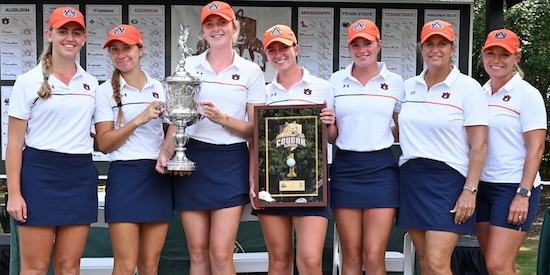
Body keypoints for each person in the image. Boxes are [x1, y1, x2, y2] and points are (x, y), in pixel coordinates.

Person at [155, 1, 266, 274]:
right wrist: (166, 152)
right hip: (192, 160)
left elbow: (256, 128)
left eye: (222, 23)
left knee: (220, 252)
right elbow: (177, 121)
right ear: (202, 30)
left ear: (234, 27)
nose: (216, 29)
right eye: (210, 24)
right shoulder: (188, 66)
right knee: (198, 252)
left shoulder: (251, 71)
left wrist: (223, 120)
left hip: (231, 162)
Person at [5, 6, 99, 274]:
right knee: (34, 268)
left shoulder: (91, 83)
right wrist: (14, 194)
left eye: (76, 32)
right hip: (39, 175)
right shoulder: (27, 81)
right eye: (63, 31)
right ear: (50, 34)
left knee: (69, 267)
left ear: (84, 38)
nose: (70, 38)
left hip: (79, 175)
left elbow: (93, 133)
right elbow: (14, 143)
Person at [396, 19, 488, 274]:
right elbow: (397, 127)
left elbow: (480, 144)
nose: (435, 49)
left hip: (448, 180)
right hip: (412, 176)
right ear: (421, 49)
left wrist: (470, 190)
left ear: (452, 48)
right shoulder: (408, 87)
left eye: (442, 44)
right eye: (429, 44)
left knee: (437, 262)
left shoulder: (469, 88)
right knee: (424, 259)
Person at [249, 24, 335, 275]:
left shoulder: (323, 87)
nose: (279, 54)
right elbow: (256, 140)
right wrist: (254, 179)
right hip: (272, 183)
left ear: (296, 48)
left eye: (284, 48)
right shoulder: (263, 92)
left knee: (309, 261)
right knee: (279, 260)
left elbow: (332, 138)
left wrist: (329, 124)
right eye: (272, 50)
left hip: (313, 185)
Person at [94, 24, 172, 275]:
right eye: (114, 49)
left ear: (140, 49)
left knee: (150, 265)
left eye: (127, 48)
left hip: (157, 176)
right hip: (125, 176)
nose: (120, 54)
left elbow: (175, 130)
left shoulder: (161, 88)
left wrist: (166, 153)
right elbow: (104, 144)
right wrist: (139, 118)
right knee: (125, 266)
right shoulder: (104, 91)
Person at [328, 19, 404, 274]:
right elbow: (332, 135)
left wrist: (380, 133)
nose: (362, 49)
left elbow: (402, 126)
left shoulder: (395, 82)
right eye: (355, 44)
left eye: (367, 43)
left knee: (373, 256)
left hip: (381, 169)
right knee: (351, 254)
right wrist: (327, 125)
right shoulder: (336, 82)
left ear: (378, 44)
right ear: (349, 48)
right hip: (345, 168)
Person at [476, 29, 547, 275]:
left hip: (513, 188)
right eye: (491, 53)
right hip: (482, 188)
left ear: (516, 58)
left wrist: (523, 193)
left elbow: (536, 147)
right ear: (483, 55)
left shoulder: (528, 94)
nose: (496, 60)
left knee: (497, 265)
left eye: (504, 54)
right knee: (498, 265)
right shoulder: (480, 93)